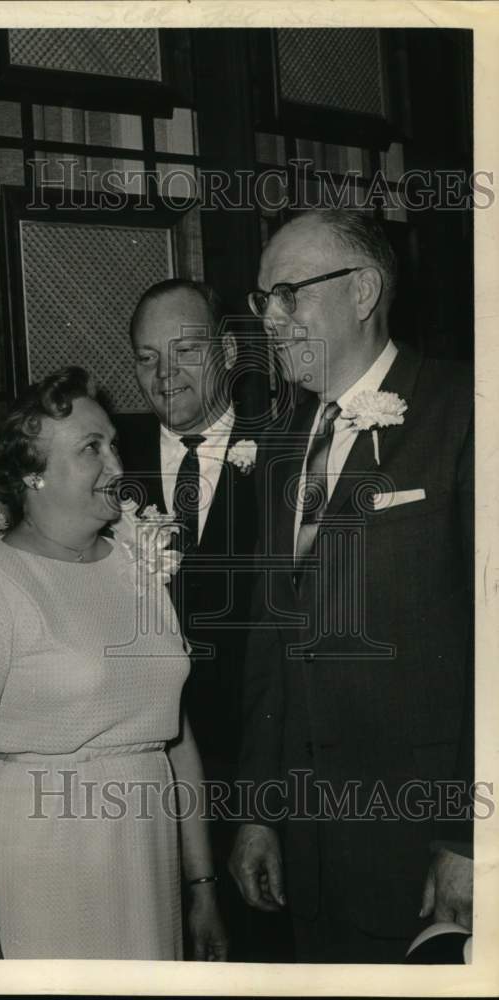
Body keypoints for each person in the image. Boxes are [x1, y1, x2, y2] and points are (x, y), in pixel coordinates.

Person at [230, 209, 474, 963]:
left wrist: (468, 838)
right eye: (262, 299)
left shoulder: (465, 411)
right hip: (308, 851)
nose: (271, 319)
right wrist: (260, 810)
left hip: (417, 844)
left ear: (363, 291)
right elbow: (274, 639)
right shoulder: (279, 439)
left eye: (290, 293)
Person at [0, 366, 227, 960]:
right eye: (92, 448)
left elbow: (175, 738)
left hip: (146, 851)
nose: (117, 465)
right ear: (32, 473)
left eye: (113, 443)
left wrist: (203, 887)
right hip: (47, 854)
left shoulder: (137, 567)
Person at [118, 279, 260, 958]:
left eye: (186, 349)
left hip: (264, 784)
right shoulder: (102, 462)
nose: (165, 375)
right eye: (147, 358)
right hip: (137, 788)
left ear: (228, 350)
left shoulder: (291, 450)